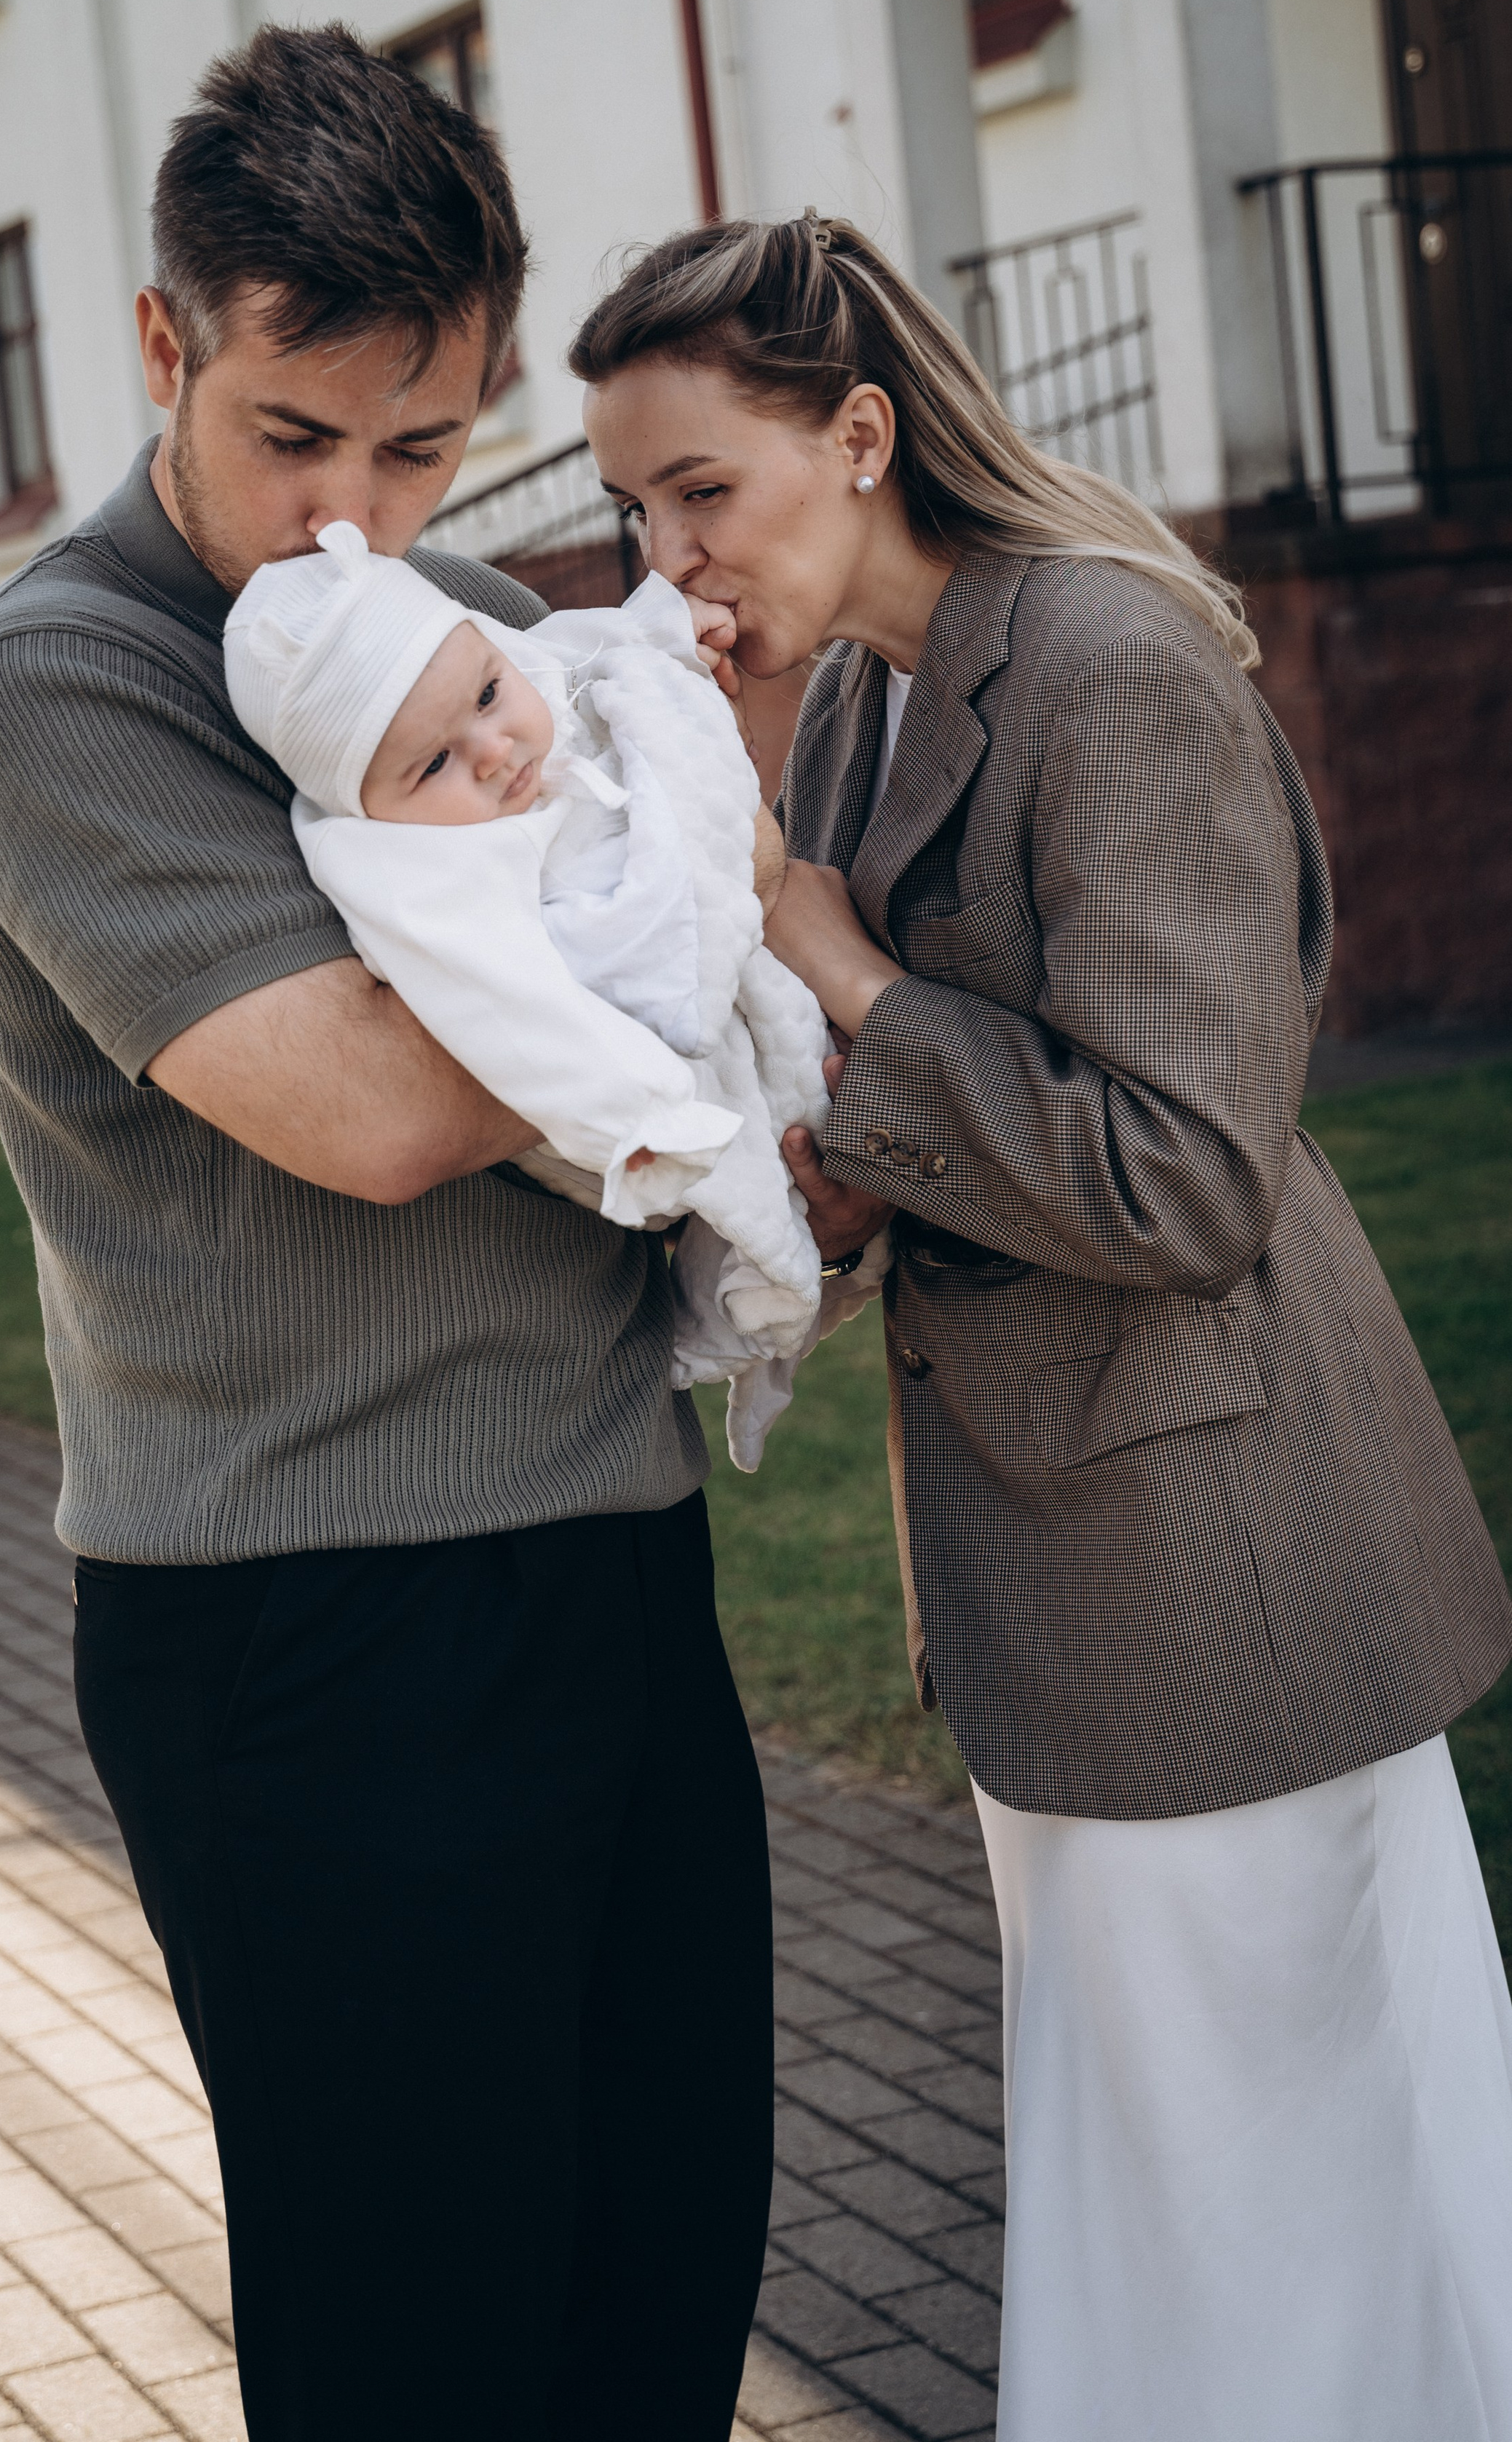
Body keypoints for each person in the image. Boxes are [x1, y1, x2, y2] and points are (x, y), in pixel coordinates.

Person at [574, 210, 1512, 2442]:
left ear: (860, 436)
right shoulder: (865, 695)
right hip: (1062, 1572)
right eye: (634, 509)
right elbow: (966, 1106)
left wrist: (845, 969)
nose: (671, 556)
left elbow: (1182, 1172)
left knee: (1283, 2191)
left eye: (701, 489)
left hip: (1219, 1563)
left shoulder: (1106, 661)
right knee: (1166, 2179)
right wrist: (841, 1178)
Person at [0, 25, 774, 2442]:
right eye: (299, 433)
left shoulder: (452, 613)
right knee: (422, 2356)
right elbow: (384, 1112)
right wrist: (676, 935)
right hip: (309, 1628)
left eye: (423, 446)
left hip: (614, 1562)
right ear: (163, 342)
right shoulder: (52, 685)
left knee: (660, 2295)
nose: (353, 522)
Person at [221, 515, 860, 1462]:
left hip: (721, 958)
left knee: (805, 1090)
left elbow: (583, 647)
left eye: (488, 695)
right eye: (434, 763)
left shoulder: (505, 671)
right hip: (629, 1071)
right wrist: (639, 1119)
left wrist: (667, 631)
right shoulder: (411, 881)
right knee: (752, 1185)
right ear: (367, 806)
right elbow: (519, 1020)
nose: (494, 749)